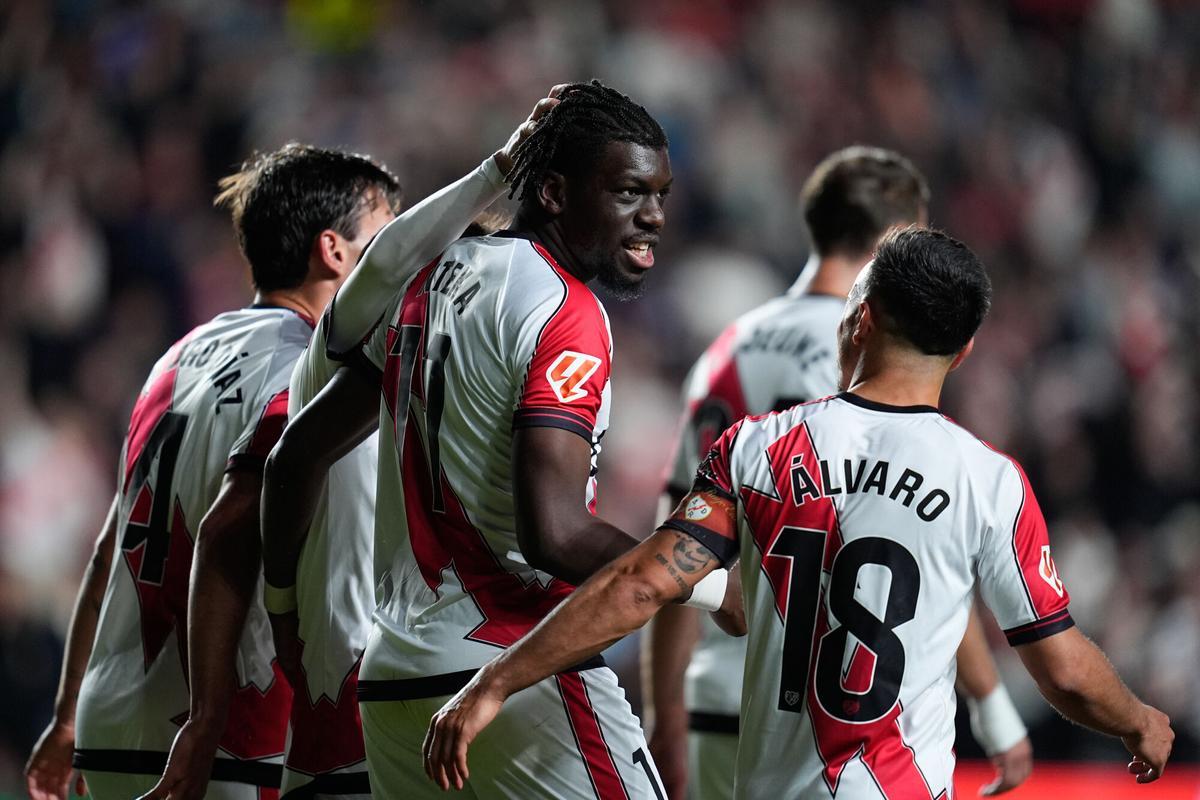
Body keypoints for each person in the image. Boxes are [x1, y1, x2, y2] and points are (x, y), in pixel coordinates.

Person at [423, 228, 1175, 798]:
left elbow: (639, 585)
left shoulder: (757, 447)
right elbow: (1064, 671)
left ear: (861, 315)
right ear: (967, 349)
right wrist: (1141, 720)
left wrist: (494, 682)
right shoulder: (990, 481)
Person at [262, 80, 720, 799]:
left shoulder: (424, 287)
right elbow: (557, 535)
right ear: (558, 194)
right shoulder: (566, 312)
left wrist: (285, 612)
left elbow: (296, 454)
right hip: (514, 672)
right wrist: (704, 578)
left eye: (661, 194)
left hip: (394, 690)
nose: (654, 216)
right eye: (630, 193)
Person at [644, 146, 1031, 799]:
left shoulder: (724, 348)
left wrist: (666, 710)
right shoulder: (867, 347)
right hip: (818, 723)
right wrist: (992, 708)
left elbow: (675, 537)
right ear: (895, 241)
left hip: (713, 692)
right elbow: (903, 543)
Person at [24, 143, 400, 800]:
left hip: (111, 721)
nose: (400, 259)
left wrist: (65, 717)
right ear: (336, 251)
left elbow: (112, 547)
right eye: (386, 237)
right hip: (224, 740)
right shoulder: (314, 378)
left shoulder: (181, 355)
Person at [261, 97, 553, 800]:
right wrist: (500, 168)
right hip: (371, 695)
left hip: (407, 687)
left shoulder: (426, 376)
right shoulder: (349, 352)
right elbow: (391, 261)